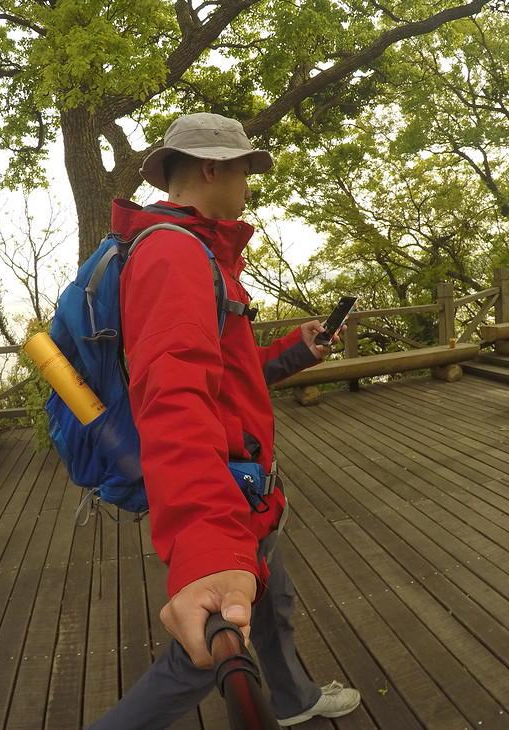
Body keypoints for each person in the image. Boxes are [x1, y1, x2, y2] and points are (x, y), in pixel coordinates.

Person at [87, 113, 361, 728]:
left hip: (243, 482)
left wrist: (297, 348)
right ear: (211, 167)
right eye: (244, 168)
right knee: (207, 648)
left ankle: (292, 700)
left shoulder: (195, 249)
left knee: (274, 600)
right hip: (221, 490)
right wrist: (208, 548)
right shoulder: (174, 255)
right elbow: (173, 395)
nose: (248, 183)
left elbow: (226, 377)